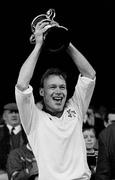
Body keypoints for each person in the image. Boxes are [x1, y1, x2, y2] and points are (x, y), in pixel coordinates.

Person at [15, 18, 96, 180]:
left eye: (62, 87)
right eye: (52, 87)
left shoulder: (76, 108)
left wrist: (64, 41)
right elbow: (22, 84)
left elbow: (89, 74)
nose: (58, 91)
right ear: (42, 92)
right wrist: (38, 44)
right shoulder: (33, 119)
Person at [0, 103, 27, 172]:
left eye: (17, 112)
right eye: (10, 112)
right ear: (4, 117)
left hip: (26, 171)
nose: (14, 115)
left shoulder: (29, 133)